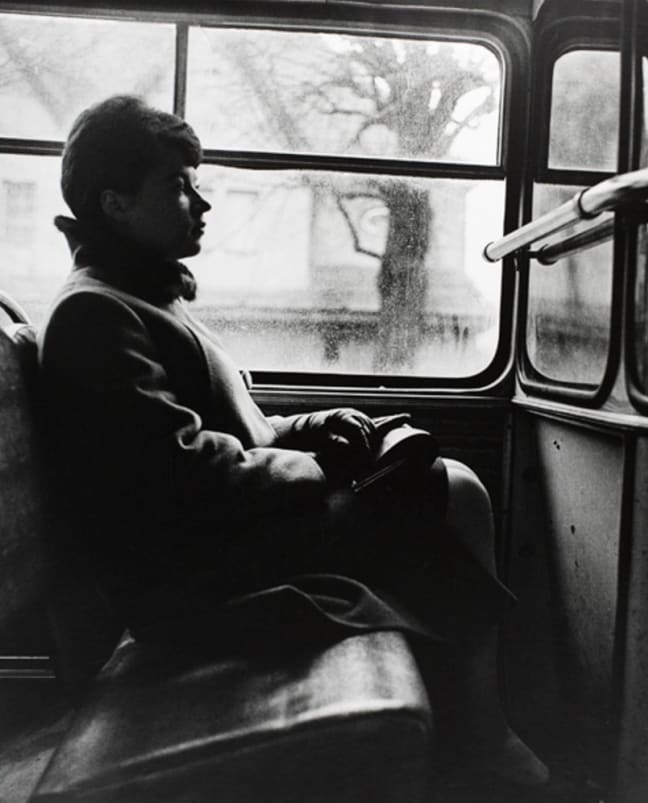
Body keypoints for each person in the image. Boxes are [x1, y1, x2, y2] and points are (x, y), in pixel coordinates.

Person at [38, 95, 548, 790]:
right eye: (178, 184)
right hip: (193, 581)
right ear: (116, 204)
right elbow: (175, 471)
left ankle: (474, 729)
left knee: (430, 474)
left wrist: (318, 427)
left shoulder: (142, 298)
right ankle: (483, 736)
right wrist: (318, 467)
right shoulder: (94, 313)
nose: (202, 203)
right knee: (451, 491)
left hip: (220, 544)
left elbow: (234, 435)